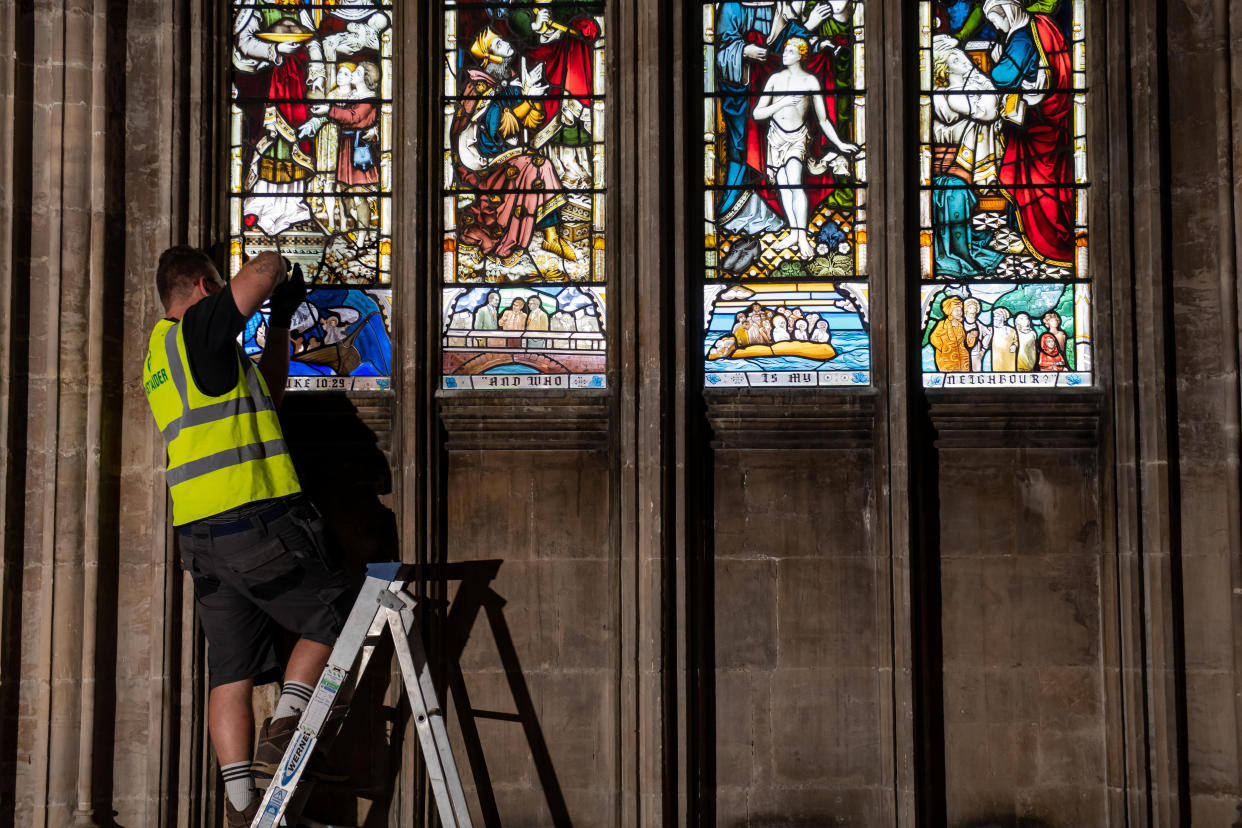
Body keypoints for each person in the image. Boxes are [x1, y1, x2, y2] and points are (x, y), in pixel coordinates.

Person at [142, 247, 353, 827]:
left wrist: (281, 320)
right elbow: (258, 271)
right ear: (205, 286)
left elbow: (271, 394)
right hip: (254, 521)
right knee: (339, 612)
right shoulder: (198, 327)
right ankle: (286, 730)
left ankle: (241, 810)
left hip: (203, 539)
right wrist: (285, 255)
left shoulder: (165, 357)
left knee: (231, 673)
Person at [751, 36, 859, 258]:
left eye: (790, 51)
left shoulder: (810, 81)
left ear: (802, 54)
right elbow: (757, 113)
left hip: (798, 138)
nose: (784, 54)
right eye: (784, 51)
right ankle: (793, 231)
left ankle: (801, 236)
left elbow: (823, 120)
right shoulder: (774, 79)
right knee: (783, 187)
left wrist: (839, 143)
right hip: (775, 138)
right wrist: (781, 103)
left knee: (795, 183)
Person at [929, 296, 972, 371]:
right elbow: (933, 337)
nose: (959, 313)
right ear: (950, 311)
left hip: (963, 360)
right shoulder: (942, 324)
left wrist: (971, 336)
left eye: (960, 310)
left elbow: (965, 342)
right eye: (956, 310)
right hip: (947, 359)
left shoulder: (960, 325)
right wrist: (943, 347)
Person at [990, 305, 1018, 370]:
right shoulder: (992, 330)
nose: (995, 318)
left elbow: (1016, 341)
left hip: (1009, 358)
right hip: (997, 360)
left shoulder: (1012, 330)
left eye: (998, 316)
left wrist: (1015, 346)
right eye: (994, 316)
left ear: (1004, 318)